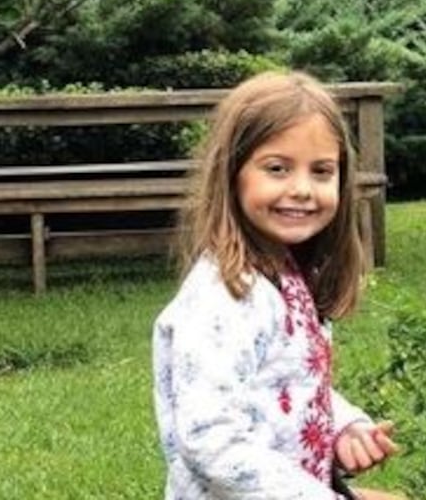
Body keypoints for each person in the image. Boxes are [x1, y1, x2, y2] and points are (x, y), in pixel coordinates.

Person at [152, 70, 405, 500]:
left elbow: (285, 381)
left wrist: (342, 426)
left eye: (321, 171)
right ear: (232, 174)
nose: (302, 189)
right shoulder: (223, 298)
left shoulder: (281, 271)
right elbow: (211, 440)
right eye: (277, 168)